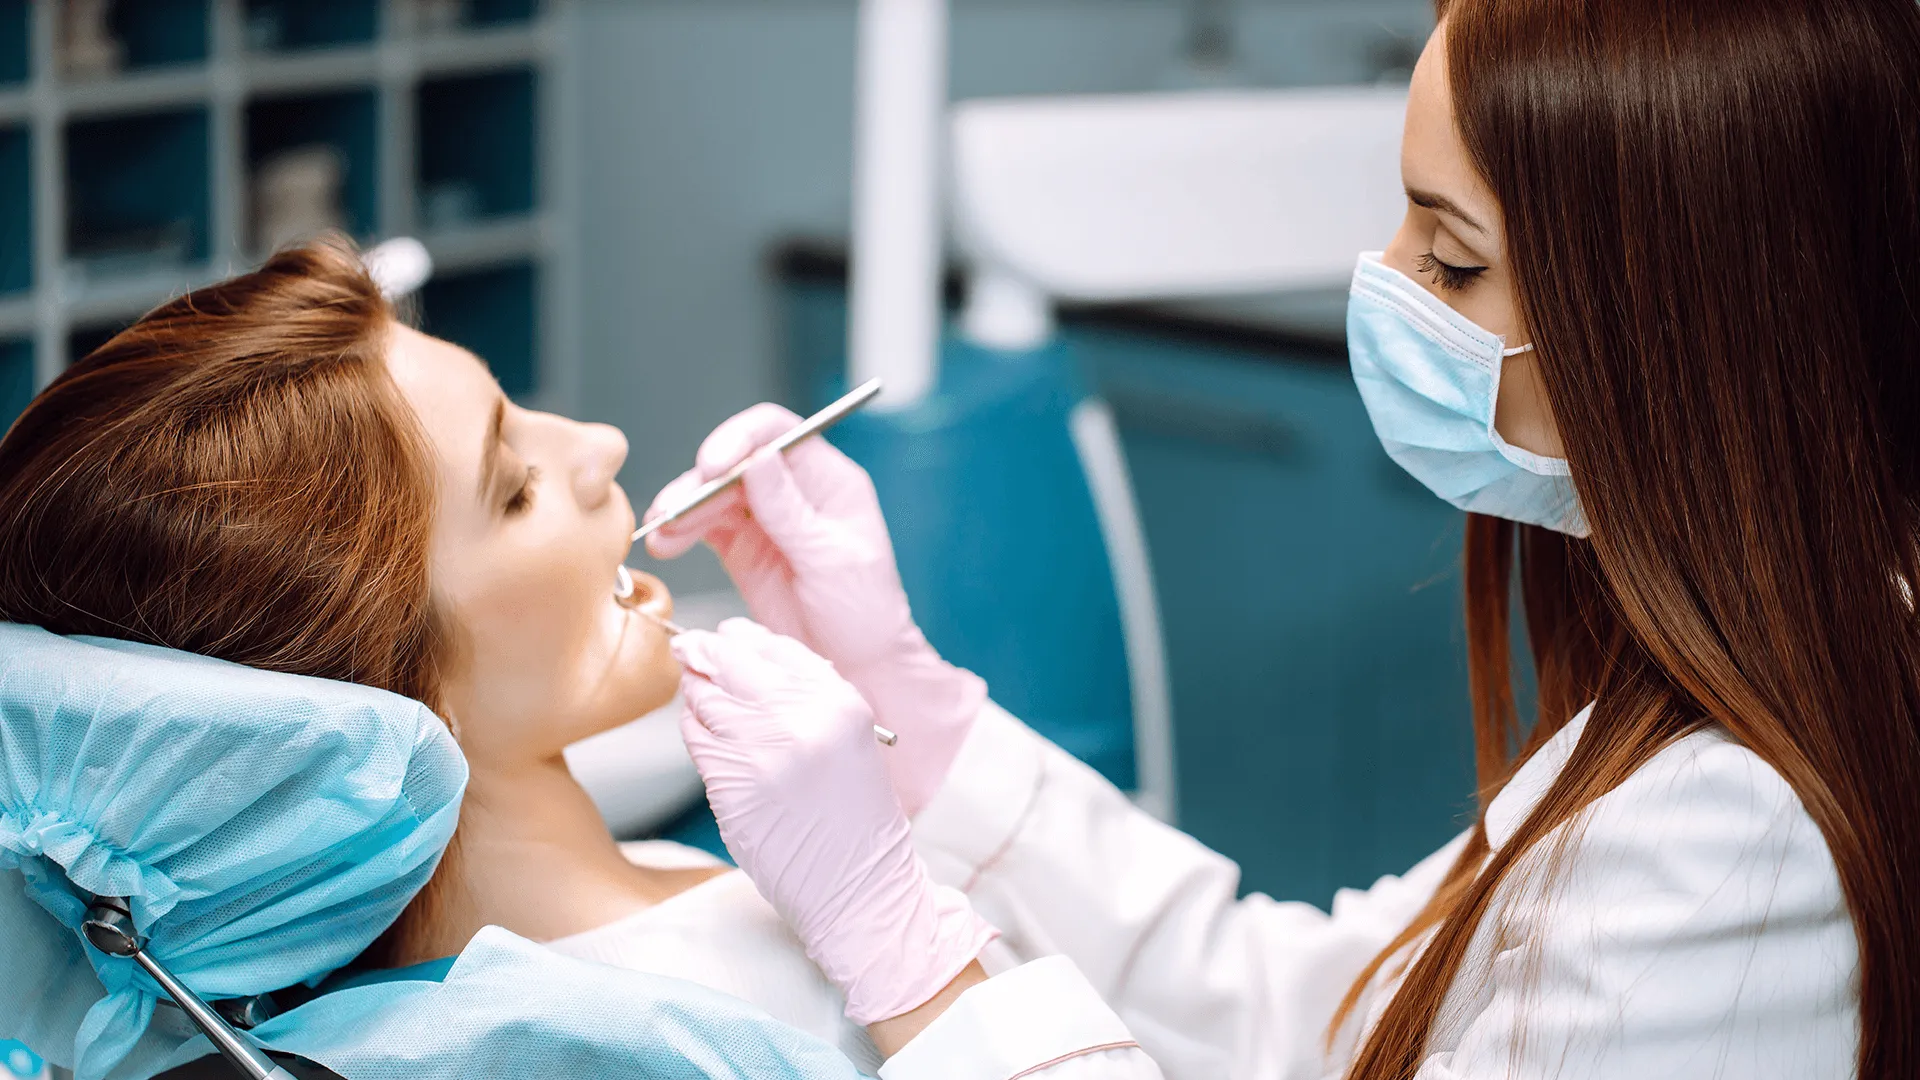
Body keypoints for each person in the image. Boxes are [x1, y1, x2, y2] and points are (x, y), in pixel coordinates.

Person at [643, 0, 1920, 1077]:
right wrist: (920, 717)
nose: (1383, 278)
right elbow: (1325, 1018)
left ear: (1677, 334)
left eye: (1454, 259)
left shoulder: (1729, 845)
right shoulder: (1706, 712)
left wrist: (911, 961)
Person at [0, 239, 977, 1075]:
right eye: (514, 489)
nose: (601, 444)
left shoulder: (655, 907)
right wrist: (909, 957)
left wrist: (920, 742)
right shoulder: (645, 1040)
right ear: (373, 697)